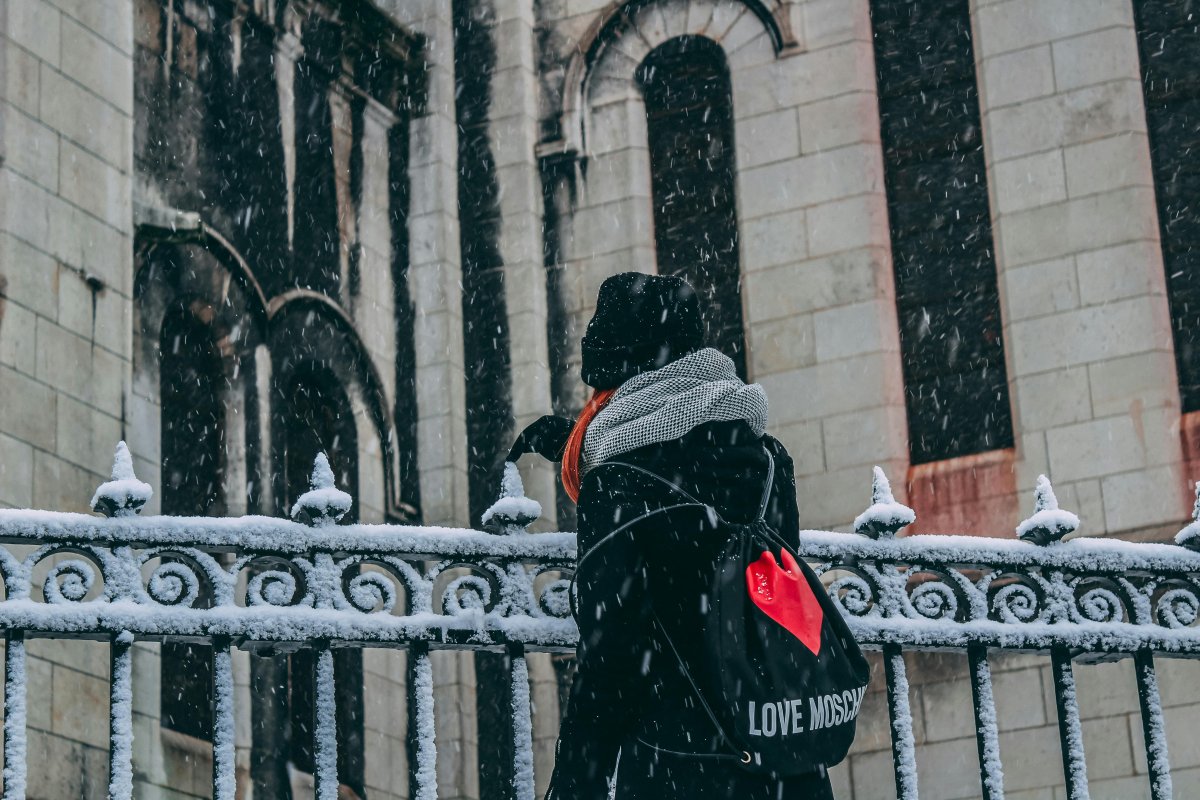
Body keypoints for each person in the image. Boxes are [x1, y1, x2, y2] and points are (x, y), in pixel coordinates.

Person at [539, 273, 835, 799]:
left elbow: (611, 660)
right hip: (784, 760)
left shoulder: (618, 481)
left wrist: (574, 785)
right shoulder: (769, 461)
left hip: (677, 767)